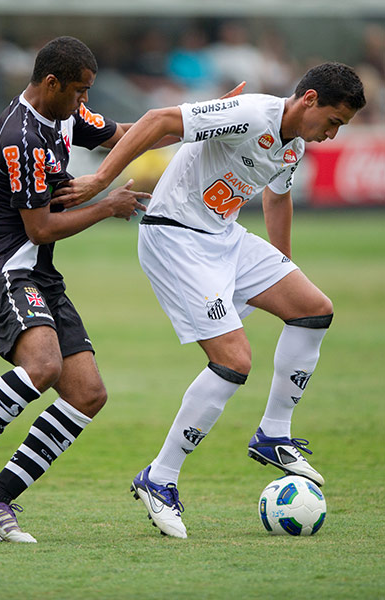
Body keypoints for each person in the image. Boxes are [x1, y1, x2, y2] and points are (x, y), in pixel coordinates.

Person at [55, 62, 366, 539]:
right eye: (332, 121)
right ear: (308, 100)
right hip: (176, 237)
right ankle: (159, 478)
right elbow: (159, 120)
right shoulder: (250, 113)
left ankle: (273, 434)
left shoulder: (294, 145)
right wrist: (99, 181)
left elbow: (277, 199)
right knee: (234, 361)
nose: (330, 134)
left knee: (313, 307)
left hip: (224, 236)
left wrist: (282, 270)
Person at [0, 36, 152, 543]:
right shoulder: (20, 138)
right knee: (42, 367)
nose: (85, 102)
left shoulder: (63, 116)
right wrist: (107, 204)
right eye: (79, 91)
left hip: (38, 273)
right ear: (52, 83)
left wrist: (199, 126)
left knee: (87, 394)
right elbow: (39, 229)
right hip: (5, 268)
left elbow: (124, 133)